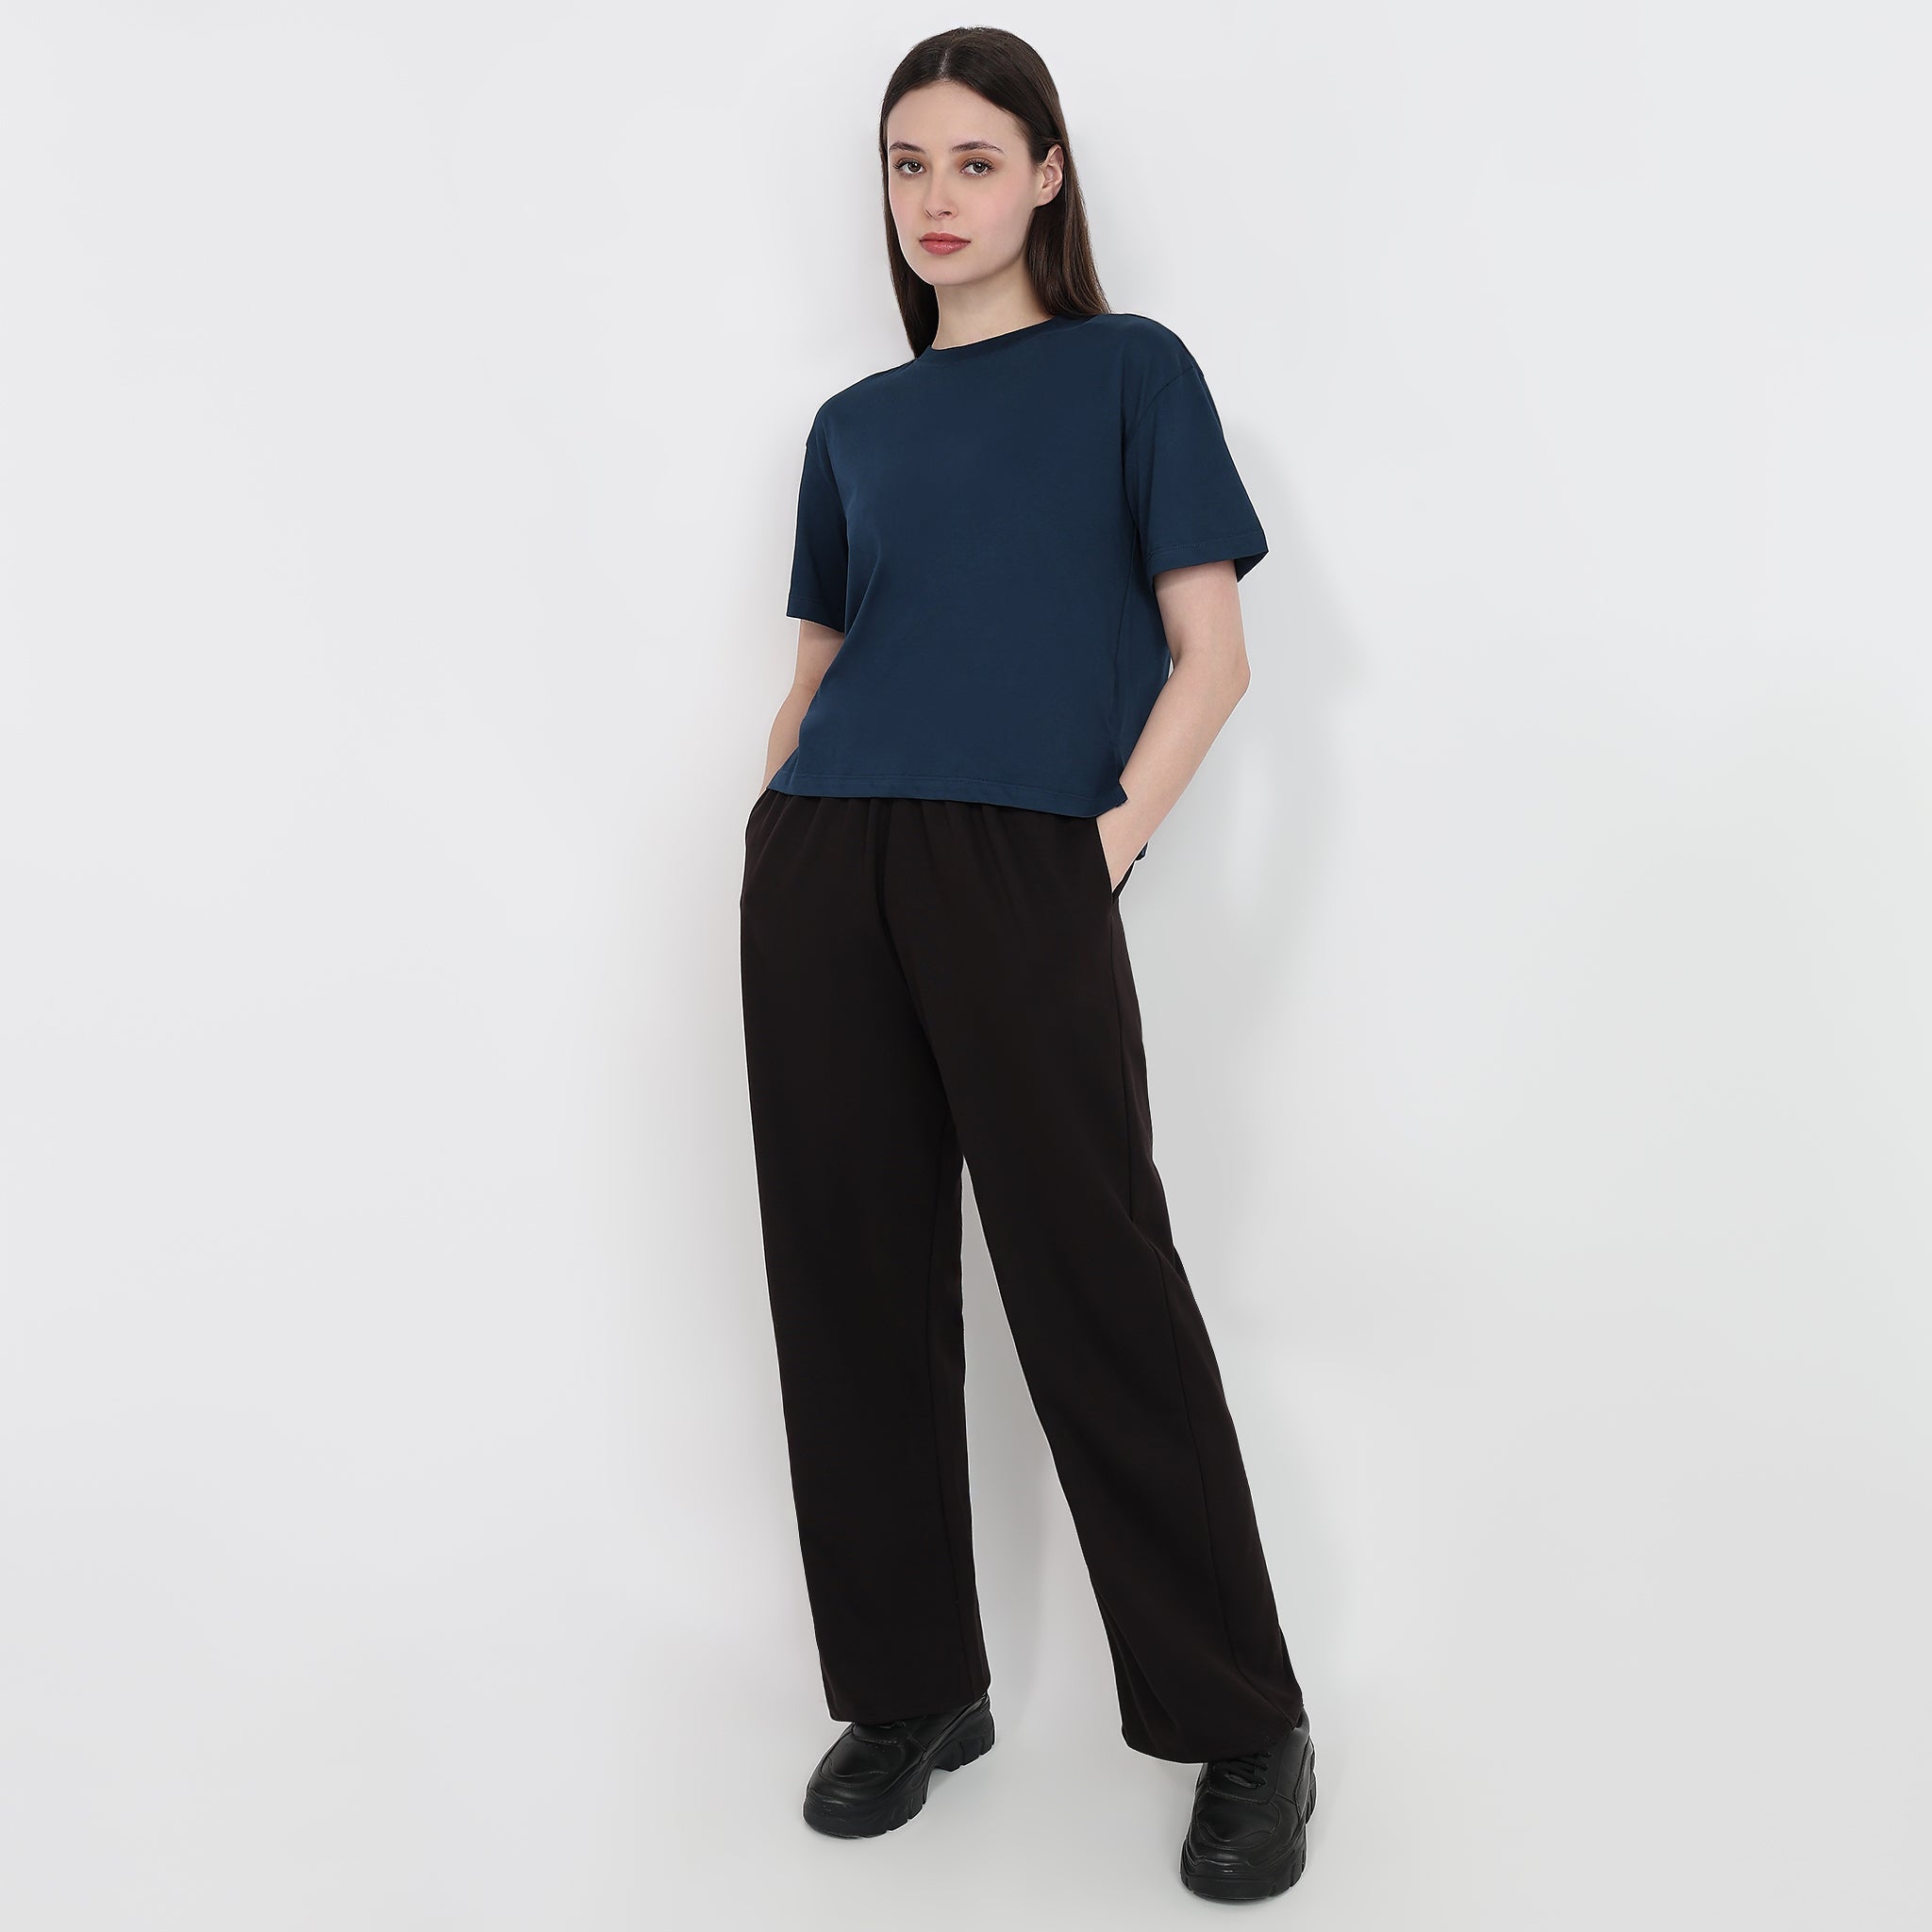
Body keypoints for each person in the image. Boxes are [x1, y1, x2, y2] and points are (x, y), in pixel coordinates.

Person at [739, 26, 1316, 1905]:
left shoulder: (1132, 374)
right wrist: (780, 821)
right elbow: (819, 670)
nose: (937, 198)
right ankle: (913, 1690)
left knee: (1095, 1274)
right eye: (908, 164)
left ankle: (1243, 1720)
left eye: (975, 161)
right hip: (828, 853)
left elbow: (1212, 654)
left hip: (1024, 855)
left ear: (1047, 174)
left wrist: (1099, 847)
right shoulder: (854, 425)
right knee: (846, 1270)